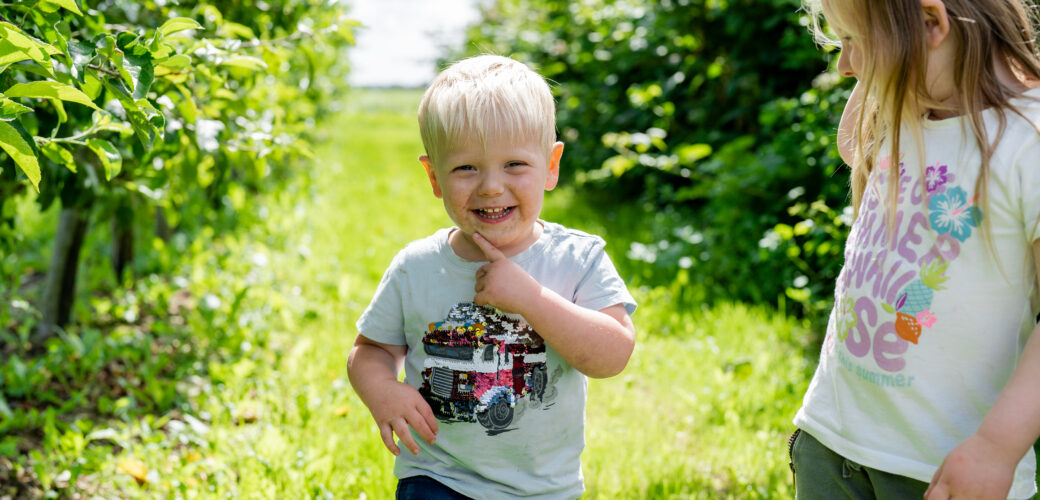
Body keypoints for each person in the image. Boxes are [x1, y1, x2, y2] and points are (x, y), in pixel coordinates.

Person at [347, 54, 637, 500]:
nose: (490, 186)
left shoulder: (576, 258)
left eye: (514, 164)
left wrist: (531, 299)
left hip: (543, 488)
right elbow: (370, 350)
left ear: (551, 166)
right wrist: (382, 388)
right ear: (434, 176)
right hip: (438, 475)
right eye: (466, 168)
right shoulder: (416, 266)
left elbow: (612, 355)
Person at [790, 0, 1040, 498]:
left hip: (942, 466)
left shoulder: (1027, 141)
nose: (843, 66)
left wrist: (995, 448)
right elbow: (851, 144)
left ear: (931, 24)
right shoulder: (910, 112)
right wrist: (885, 53)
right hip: (831, 439)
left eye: (853, 42)